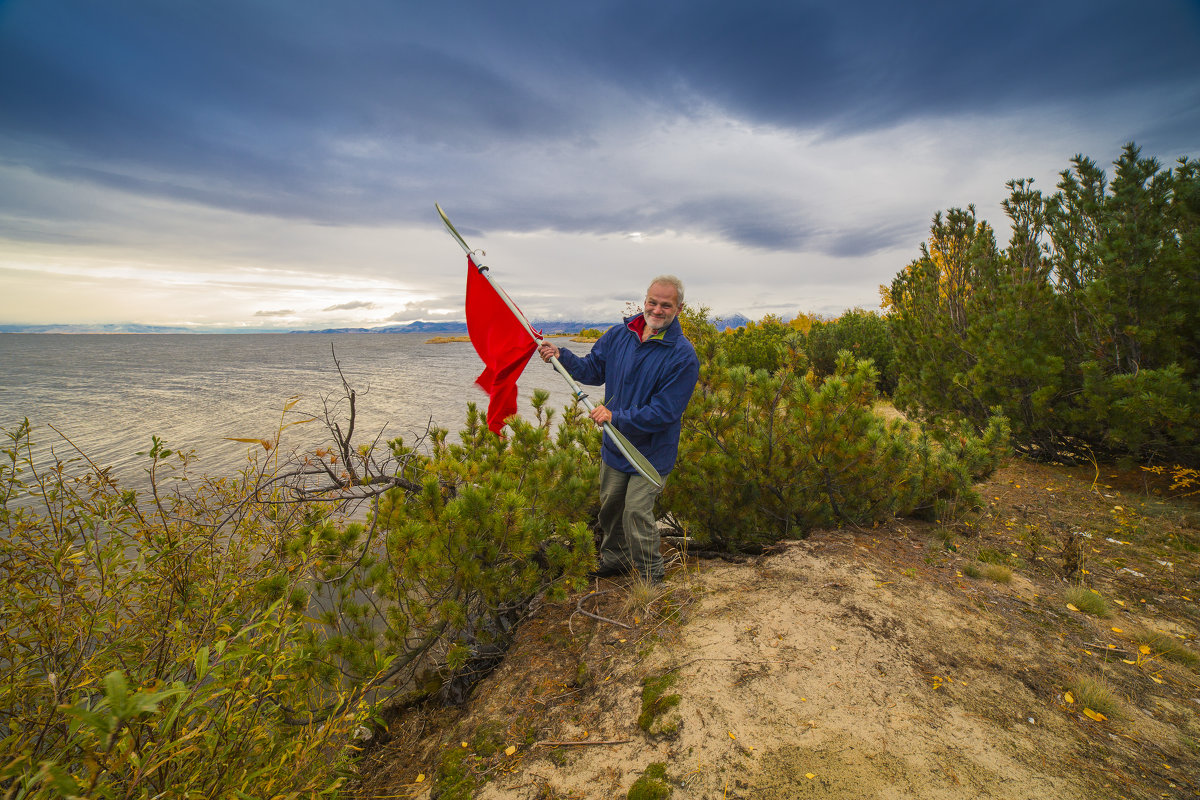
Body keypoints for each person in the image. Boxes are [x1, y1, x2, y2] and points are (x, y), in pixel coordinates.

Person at [538, 276, 700, 584]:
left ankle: (653, 577)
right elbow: (592, 371)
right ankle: (616, 561)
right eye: (652, 301)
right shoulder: (619, 335)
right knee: (611, 509)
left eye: (666, 305)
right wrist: (562, 357)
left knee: (636, 513)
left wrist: (617, 416)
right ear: (645, 300)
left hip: (650, 453)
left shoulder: (682, 355)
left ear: (679, 308)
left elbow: (665, 412)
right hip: (614, 446)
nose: (657, 309)